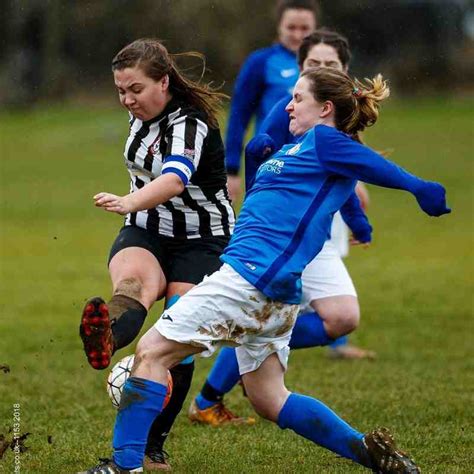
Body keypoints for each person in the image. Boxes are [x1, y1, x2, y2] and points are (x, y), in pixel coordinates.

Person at [78, 66, 450, 473]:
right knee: (270, 398)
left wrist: (419, 188)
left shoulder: (327, 140)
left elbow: (368, 163)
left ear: (325, 108)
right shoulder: (304, 148)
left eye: (298, 99)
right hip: (273, 294)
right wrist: (257, 161)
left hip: (247, 279)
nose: (287, 105)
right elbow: (295, 196)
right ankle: (369, 453)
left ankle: (122, 466)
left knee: (151, 352)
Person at [188, 29, 376, 428]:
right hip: (280, 239)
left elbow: (345, 176)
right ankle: (209, 396)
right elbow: (264, 161)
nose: (322, 69)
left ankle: (232, 370)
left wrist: (360, 220)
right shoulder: (287, 112)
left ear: (344, 71)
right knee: (280, 318)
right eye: (313, 65)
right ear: (300, 68)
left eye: (331, 65)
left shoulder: (339, 117)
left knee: (340, 317)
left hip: (316, 235)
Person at [78, 38, 235, 470]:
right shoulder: (139, 117)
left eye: (136, 90)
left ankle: (152, 446)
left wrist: (130, 201)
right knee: (132, 286)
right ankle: (106, 334)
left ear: (163, 82)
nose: (128, 100)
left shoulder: (192, 123)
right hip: (147, 231)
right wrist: (134, 210)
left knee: (176, 336)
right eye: (121, 92)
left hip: (203, 241)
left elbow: (175, 179)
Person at [225, 0, 318, 202]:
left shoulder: (324, 64)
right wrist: (231, 169)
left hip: (317, 161)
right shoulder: (260, 62)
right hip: (273, 161)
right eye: (291, 27)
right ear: (279, 27)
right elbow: (239, 116)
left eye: (305, 28)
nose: (298, 35)